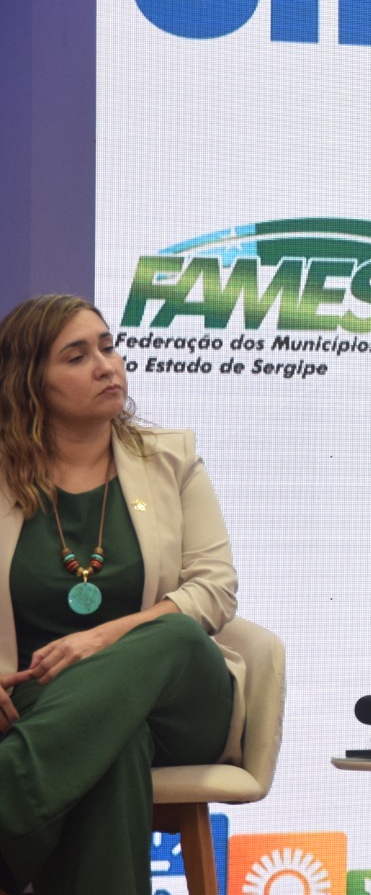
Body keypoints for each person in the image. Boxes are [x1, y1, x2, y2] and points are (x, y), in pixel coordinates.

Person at [0, 295, 243, 895]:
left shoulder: (170, 457)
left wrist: (102, 638)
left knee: (176, 634)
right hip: (43, 705)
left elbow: (215, 588)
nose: (107, 366)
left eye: (108, 347)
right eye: (77, 356)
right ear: (29, 382)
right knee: (112, 746)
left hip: (178, 704)